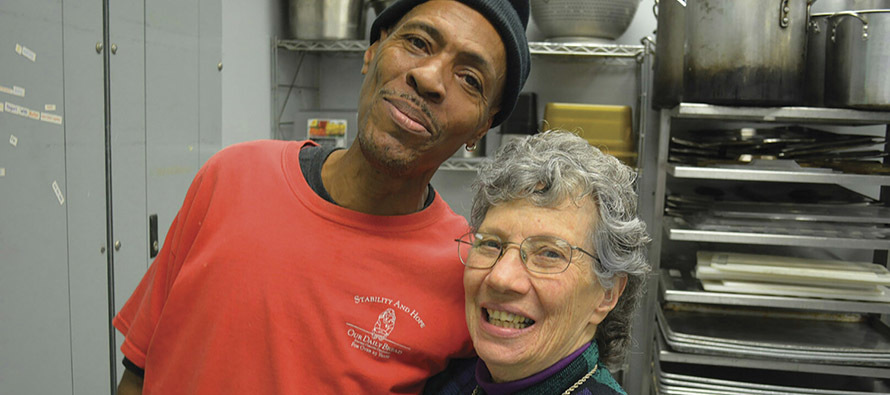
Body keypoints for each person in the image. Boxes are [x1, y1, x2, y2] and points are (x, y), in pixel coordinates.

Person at [114, 0, 530, 393]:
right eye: (418, 43)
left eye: (470, 79)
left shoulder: (465, 273)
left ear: (483, 126)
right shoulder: (231, 177)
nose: (429, 78)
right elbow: (139, 369)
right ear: (373, 51)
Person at [429, 130, 650, 394]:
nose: (501, 278)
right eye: (490, 244)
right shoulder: (447, 380)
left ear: (607, 294)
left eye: (549, 254)